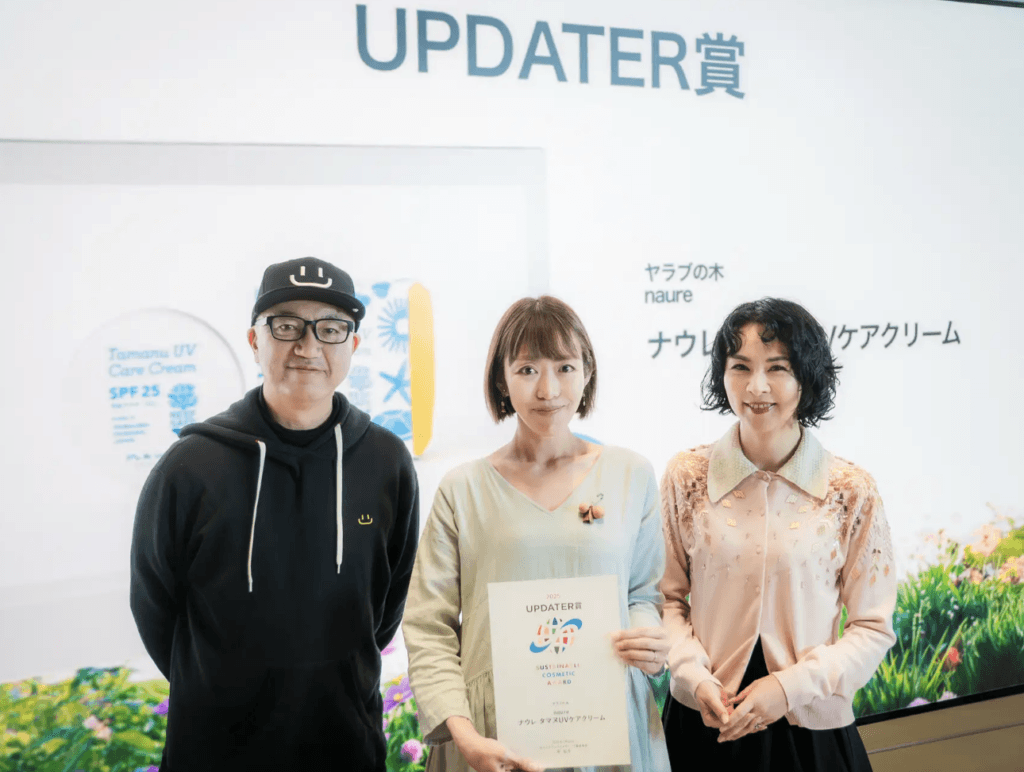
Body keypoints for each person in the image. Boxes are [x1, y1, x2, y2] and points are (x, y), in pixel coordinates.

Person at [130, 257, 420, 771]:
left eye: (330, 329)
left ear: (352, 345)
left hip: (345, 747)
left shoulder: (386, 462)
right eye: (286, 326)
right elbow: (154, 604)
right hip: (213, 752)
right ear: (254, 340)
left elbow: (386, 604)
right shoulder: (191, 465)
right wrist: (216, 687)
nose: (308, 347)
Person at [403, 296, 671, 772]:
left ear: (587, 372)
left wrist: (647, 639)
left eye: (565, 367)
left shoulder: (630, 475)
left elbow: (643, 594)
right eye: (527, 370)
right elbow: (429, 626)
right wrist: (465, 736)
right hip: (489, 738)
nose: (548, 389)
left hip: (607, 725)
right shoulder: (463, 489)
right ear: (501, 380)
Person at [659, 297, 896, 770]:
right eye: (740, 366)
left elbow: (872, 629)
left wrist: (787, 689)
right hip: (703, 723)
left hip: (808, 731)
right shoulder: (686, 476)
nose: (757, 386)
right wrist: (693, 678)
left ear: (808, 376)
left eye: (778, 368)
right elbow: (663, 600)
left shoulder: (851, 490)